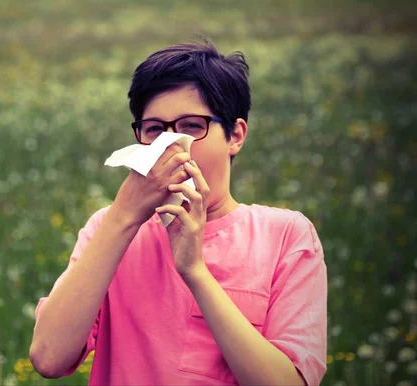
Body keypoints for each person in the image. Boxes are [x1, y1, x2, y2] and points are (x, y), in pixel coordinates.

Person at [29, 37, 328, 386]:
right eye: (154, 130)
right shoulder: (110, 227)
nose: (169, 146)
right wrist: (125, 214)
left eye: (191, 126)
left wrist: (195, 272)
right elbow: (49, 357)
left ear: (235, 135)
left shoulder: (285, 235)